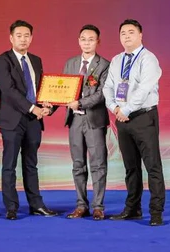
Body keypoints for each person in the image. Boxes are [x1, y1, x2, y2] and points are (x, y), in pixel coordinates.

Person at [102, 19, 166, 226]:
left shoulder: (149, 59)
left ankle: (156, 213)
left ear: (140, 35)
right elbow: (108, 87)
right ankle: (132, 209)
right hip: (122, 118)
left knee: (152, 166)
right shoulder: (117, 60)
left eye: (131, 32)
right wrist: (114, 107)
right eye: (123, 33)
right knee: (131, 168)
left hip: (143, 117)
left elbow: (144, 89)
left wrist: (126, 109)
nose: (126, 36)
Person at [0, 20, 57, 220]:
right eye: (19, 35)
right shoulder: (3, 60)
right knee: (9, 165)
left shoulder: (36, 60)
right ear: (11, 38)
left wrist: (48, 106)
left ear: (31, 38)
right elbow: (8, 90)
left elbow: (41, 89)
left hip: (33, 121)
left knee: (31, 164)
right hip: (12, 120)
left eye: (26, 35)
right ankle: (11, 207)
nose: (23, 39)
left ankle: (36, 205)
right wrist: (32, 107)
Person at [53, 25, 110, 220]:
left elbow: (102, 94)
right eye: (83, 39)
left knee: (98, 164)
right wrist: (50, 106)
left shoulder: (105, 65)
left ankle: (98, 206)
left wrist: (80, 103)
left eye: (91, 39)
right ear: (78, 41)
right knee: (78, 164)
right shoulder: (70, 63)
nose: (87, 43)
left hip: (94, 120)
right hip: (74, 120)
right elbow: (61, 91)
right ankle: (81, 205)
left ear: (98, 42)